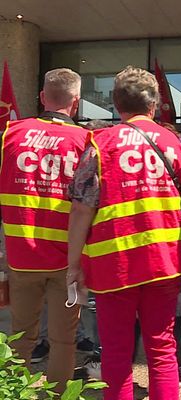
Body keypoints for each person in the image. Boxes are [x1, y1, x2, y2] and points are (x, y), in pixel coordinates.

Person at [66, 66, 181, 399]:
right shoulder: (176, 144)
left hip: (114, 265)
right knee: (161, 348)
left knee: (116, 352)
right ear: (154, 105)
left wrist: (73, 266)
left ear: (116, 104)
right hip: (165, 262)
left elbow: (81, 210)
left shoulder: (99, 145)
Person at [0, 68, 88, 393]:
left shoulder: (9, 134)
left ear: (41, 97)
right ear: (75, 103)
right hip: (71, 263)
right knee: (65, 340)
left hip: (22, 256)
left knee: (21, 335)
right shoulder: (86, 140)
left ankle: (12, 393)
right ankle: (58, 395)